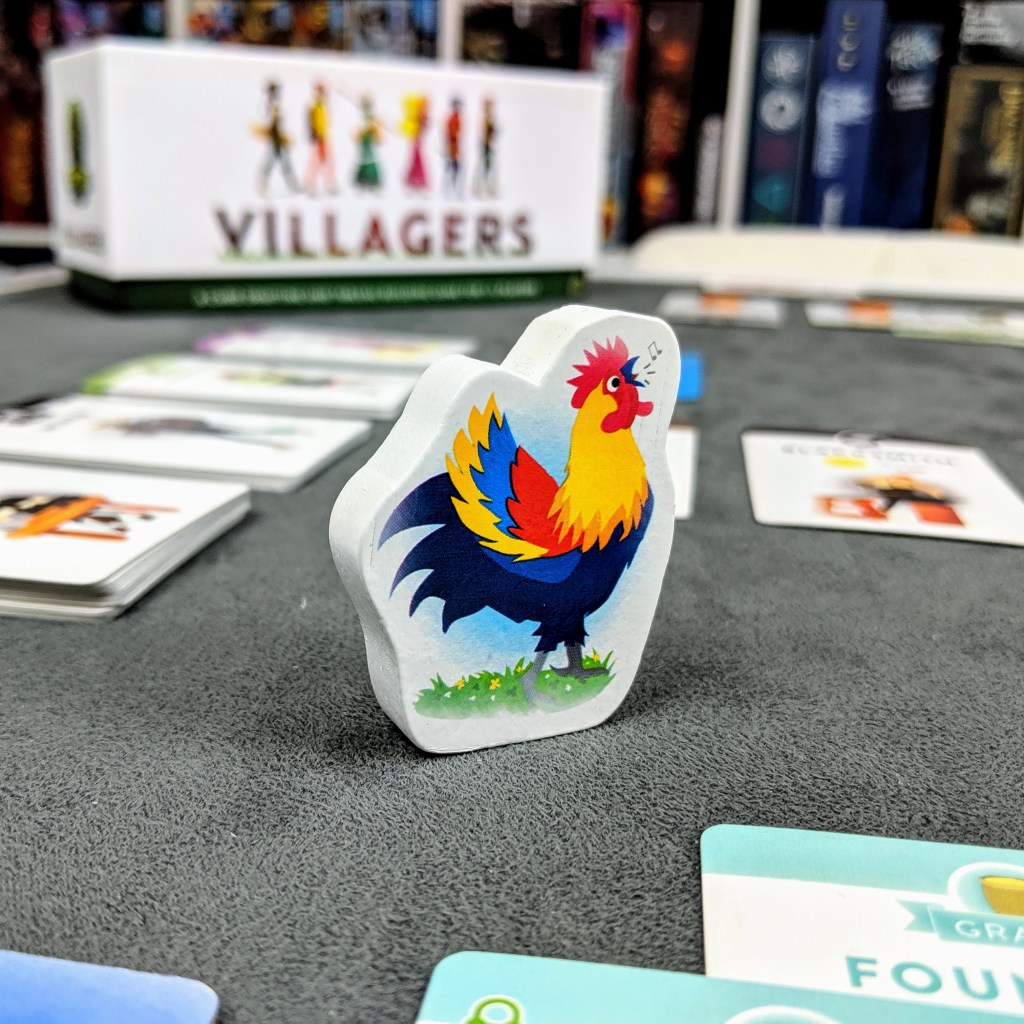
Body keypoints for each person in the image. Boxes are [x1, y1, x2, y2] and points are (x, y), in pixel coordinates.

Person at [256, 80, 299, 196]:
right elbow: (270, 122)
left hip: (279, 138)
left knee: (285, 163)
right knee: (270, 164)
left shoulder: (274, 104)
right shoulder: (269, 105)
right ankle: (262, 186)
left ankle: (293, 185)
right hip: (275, 139)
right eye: (276, 91)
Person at [305, 81, 337, 195]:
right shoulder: (315, 107)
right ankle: (311, 184)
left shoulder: (323, 106)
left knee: (327, 161)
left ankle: (329, 183)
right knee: (317, 161)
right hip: (320, 137)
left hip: (325, 136)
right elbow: (313, 124)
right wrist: (319, 137)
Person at [354, 94, 383, 190]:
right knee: (364, 158)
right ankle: (363, 180)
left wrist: (377, 135)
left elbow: (374, 128)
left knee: (370, 158)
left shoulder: (372, 117)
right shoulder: (363, 116)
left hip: (369, 140)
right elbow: (361, 127)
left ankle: (371, 180)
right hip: (365, 140)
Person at [443, 97, 463, 197]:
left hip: (455, 148)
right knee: (450, 168)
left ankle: (454, 188)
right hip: (451, 148)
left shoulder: (458, 118)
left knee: (456, 169)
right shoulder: (451, 118)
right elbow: (450, 133)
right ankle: (449, 189)